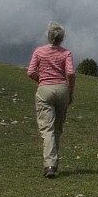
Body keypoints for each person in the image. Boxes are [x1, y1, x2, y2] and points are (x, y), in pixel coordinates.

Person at [27, 21, 75, 178]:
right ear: (62, 38)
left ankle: (50, 165)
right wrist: (70, 91)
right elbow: (70, 73)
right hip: (62, 89)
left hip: (44, 89)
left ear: (49, 36)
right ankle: (53, 162)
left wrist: (41, 80)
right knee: (57, 127)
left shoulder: (39, 51)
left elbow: (30, 71)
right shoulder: (66, 53)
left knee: (47, 128)